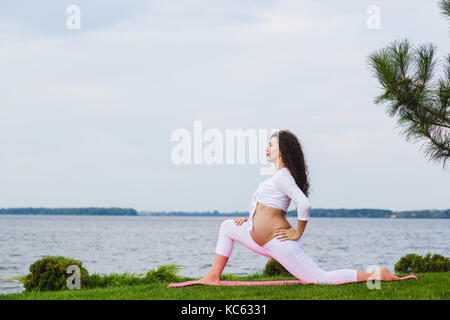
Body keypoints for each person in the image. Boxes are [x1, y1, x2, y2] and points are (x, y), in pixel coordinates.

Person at [196, 130, 399, 285]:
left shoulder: (283, 176)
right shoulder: (276, 177)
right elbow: (269, 208)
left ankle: (377, 274)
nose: (267, 148)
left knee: (321, 279)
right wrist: (249, 221)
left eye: (271, 145)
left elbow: (304, 204)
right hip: (257, 237)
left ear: (282, 150)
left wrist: (297, 233)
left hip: (279, 242)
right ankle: (213, 276)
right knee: (227, 227)